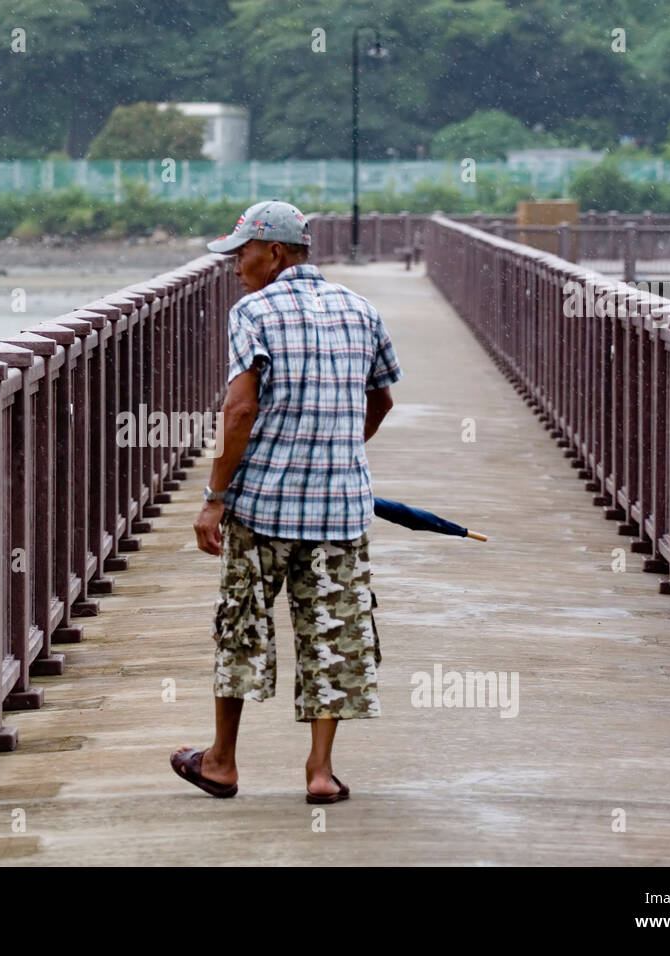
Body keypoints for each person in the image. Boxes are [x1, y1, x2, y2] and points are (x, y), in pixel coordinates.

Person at [170, 199, 402, 804]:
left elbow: (240, 410)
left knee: (241, 626)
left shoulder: (253, 311)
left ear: (273, 253)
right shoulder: (361, 309)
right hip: (339, 509)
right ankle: (320, 773)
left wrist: (214, 498)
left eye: (241, 253)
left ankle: (221, 763)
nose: (234, 266)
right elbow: (381, 401)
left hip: (263, 505)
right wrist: (336, 449)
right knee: (334, 633)